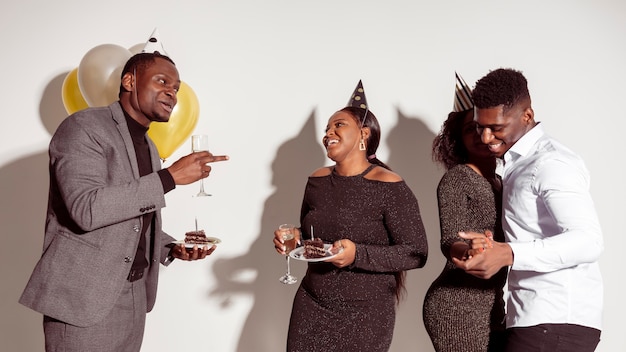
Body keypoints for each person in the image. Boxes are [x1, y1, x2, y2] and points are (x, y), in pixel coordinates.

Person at [19, 51, 229, 352]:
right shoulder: (83, 127)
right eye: (162, 81)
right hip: (83, 300)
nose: (172, 91)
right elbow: (87, 209)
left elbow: (132, 218)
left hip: (134, 296)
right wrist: (169, 178)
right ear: (129, 80)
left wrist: (170, 247)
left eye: (177, 88)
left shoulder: (150, 146)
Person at [453, 68, 603, 352]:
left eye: (496, 128)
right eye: (479, 127)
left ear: (527, 116)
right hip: (536, 320)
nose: (485, 137)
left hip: (556, 321)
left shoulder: (550, 163)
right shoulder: (516, 166)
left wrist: (508, 253)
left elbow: (589, 240)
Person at [273, 80, 428, 352]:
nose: (329, 133)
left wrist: (357, 254)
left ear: (363, 134)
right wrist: (294, 240)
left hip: (365, 315)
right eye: (327, 129)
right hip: (312, 303)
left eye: (339, 125)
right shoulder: (317, 181)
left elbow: (416, 253)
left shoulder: (389, 185)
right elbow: (310, 235)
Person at [422, 73, 507, 352]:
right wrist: (466, 249)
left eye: (485, 126)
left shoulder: (501, 181)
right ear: (458, 138)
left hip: (492, 304)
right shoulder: (458, 177)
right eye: (470, 129)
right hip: (457, 306)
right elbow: (449, 239)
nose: (481, 136)